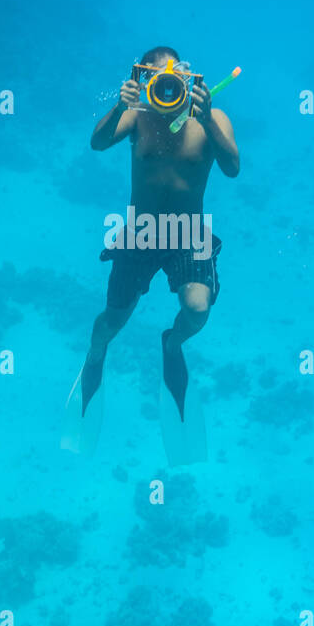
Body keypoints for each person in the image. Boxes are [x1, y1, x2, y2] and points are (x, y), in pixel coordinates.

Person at [81, 47, 240, 422]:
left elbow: (233, 168)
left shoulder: (212, 116)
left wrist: (206, 119)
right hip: (141, 233)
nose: (166, 87)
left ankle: (173, 342)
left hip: (188, 232)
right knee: (113, 321)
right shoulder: (137, 118)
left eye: (174, 78)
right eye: (156, 79)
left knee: (198, 309)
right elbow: (98, 142)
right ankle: (96, 351)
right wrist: (122, 107)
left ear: (186, 78)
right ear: (144, 80)